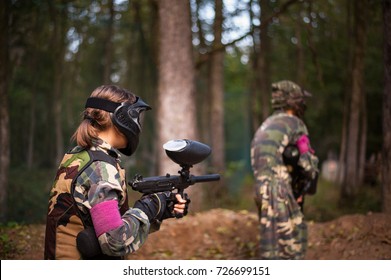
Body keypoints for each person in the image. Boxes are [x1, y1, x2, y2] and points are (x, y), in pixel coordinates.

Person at [44, 85, 189, 260]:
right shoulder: (100, 167)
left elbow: (100, 223)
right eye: (136, 116)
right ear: (123, 117)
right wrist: (147, 207)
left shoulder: (78, 155)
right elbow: (115, 241)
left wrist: (160, 209)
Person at [250, 80, 319, 260]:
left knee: (271, 244)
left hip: (260, 189)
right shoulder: (295, 124)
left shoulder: (267, 123)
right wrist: (310, 175)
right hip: (278, 188)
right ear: (294, 101)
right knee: (292, 246)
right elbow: (307, 163)